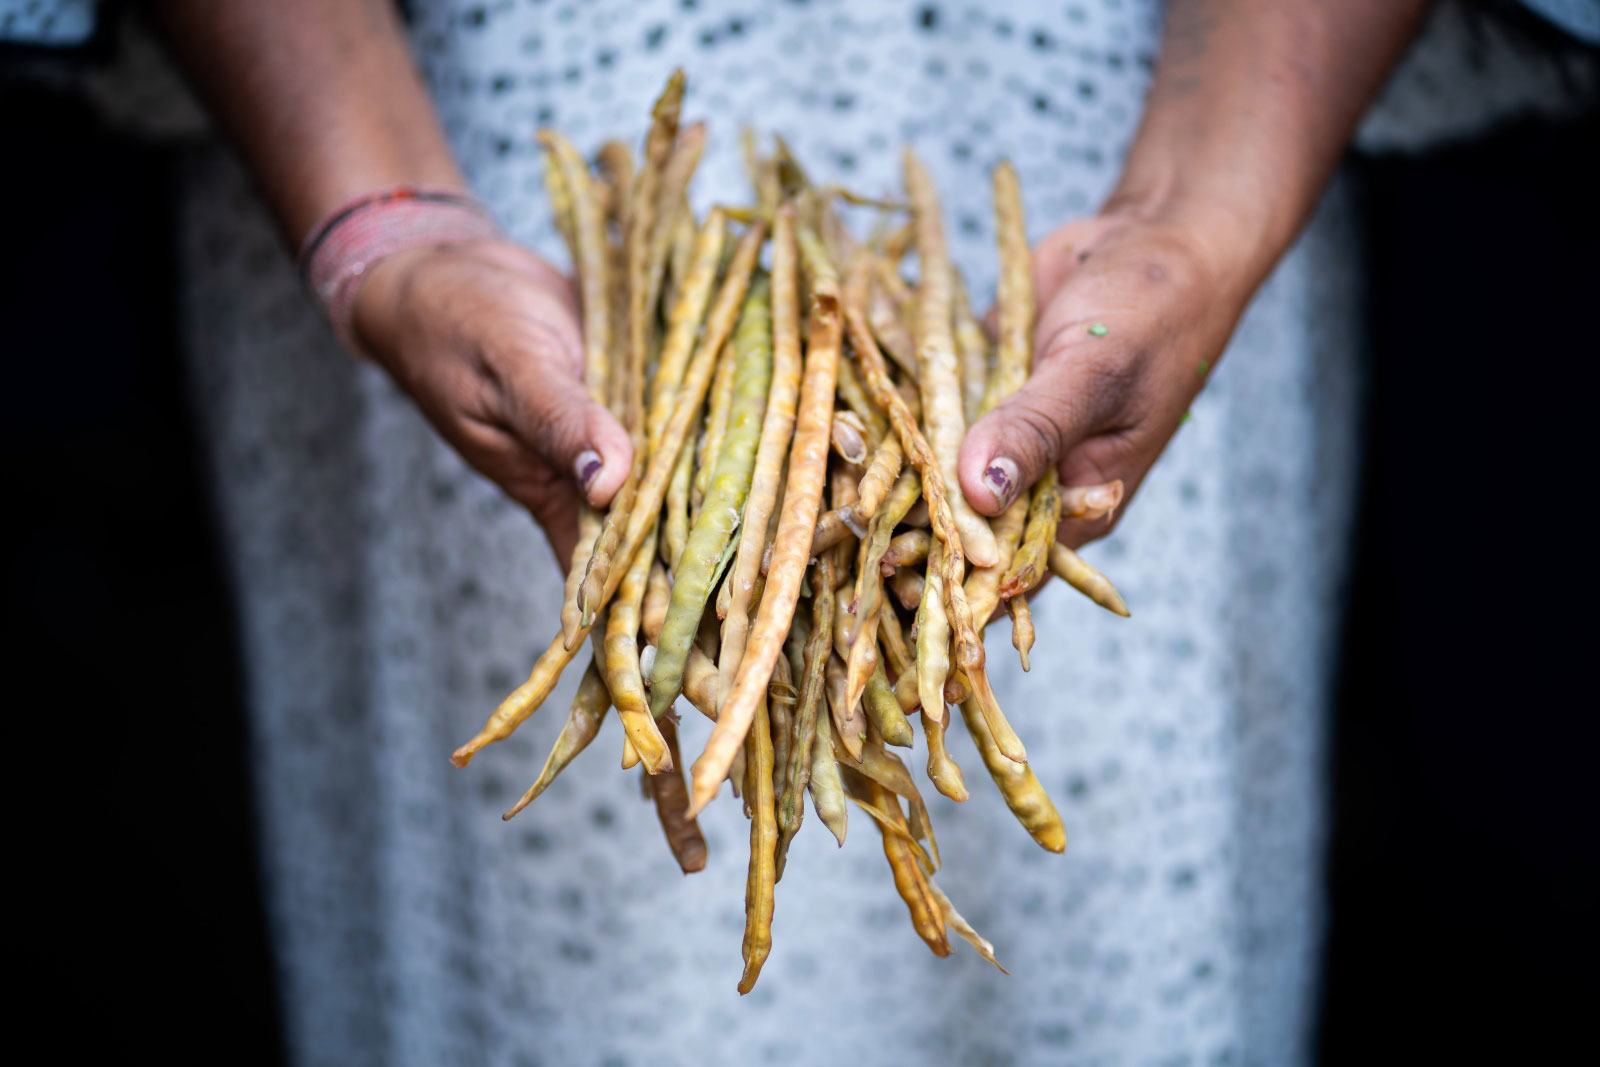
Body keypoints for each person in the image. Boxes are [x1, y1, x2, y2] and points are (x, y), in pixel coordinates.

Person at [133, 0, 1455, 1063]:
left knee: (1105, 922)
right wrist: (389, 227)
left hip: (1146, 201)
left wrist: (1197, 224)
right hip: (441, 173)